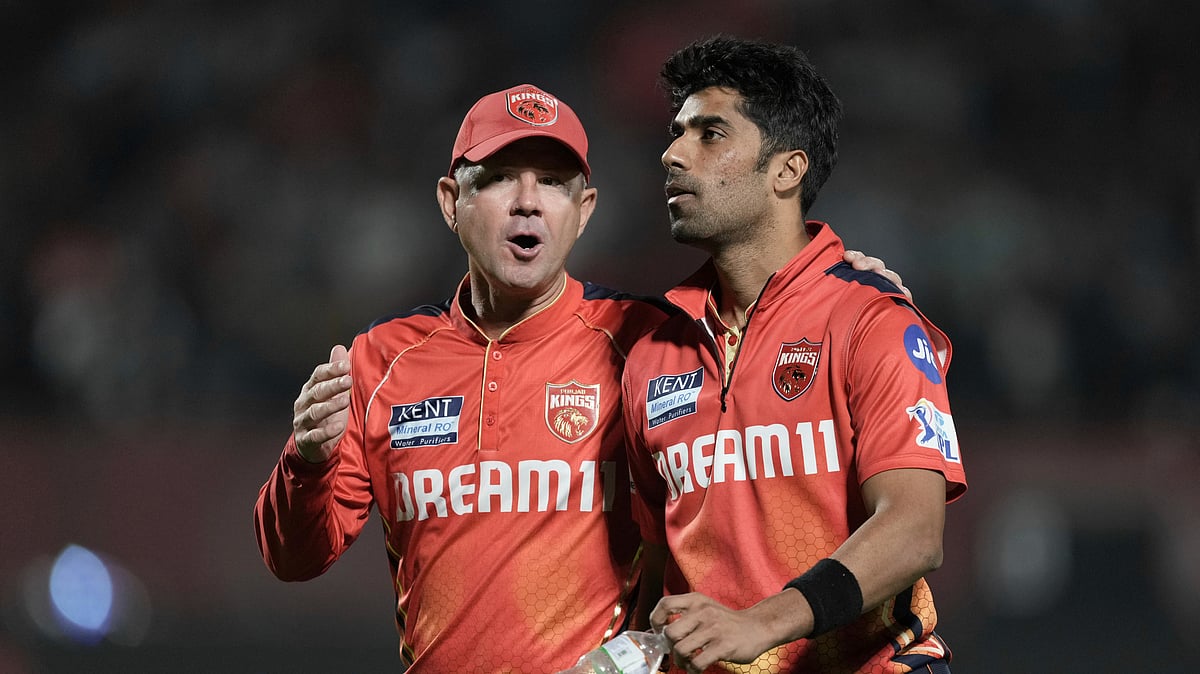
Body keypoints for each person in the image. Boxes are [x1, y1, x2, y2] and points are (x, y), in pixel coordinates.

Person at [253, 82, 910, 673]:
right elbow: (294, 559)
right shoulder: (381, 360)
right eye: (503, 178)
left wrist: (839, 288)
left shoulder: (646, 343)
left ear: (584, 209)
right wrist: (307, 460)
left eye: (555, 183)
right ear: (452, 201)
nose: (529, 203)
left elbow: (768, 340)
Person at [621, 36, 968, 674]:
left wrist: (762, 623)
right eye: (676, 133)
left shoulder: (872, 320)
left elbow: (915, 534)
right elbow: (657, 557)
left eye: (711, 133)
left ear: (787, 170)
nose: (672, 154)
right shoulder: (650, 353)